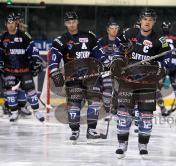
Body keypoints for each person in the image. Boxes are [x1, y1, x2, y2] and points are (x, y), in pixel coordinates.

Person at [111, 8, 170, 158]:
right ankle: (122, 144)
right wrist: (118, 58)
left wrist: (159, 67)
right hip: (127, 81)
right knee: (123, 113)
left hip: (147, 82)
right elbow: (116, 46)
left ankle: (143, 145)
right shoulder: (129, 33)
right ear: (140, 20)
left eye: (150, 20)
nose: (147, 22)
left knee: (146, 115)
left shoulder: (160, 40)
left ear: (154, 22)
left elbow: (168, 60)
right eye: (145, 19)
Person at [49, 11, 103, 142]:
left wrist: (107, 63)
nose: (71, 24)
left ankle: (91, 130)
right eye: (69, 22)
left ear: (77, 22)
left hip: (91, 76)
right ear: (65, 24)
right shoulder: (61, 41)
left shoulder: (90, 37)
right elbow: (54, 61)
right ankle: (74, 130)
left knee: (94, 103)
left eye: (73, 21)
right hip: (72, 78)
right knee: (74, 105)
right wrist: (55, 71)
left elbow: (100, 55)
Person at [0, 13, 44, 122]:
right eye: (9, 23)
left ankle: (36, 111)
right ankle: (14, 113)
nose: (10, 25)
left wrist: (35, 58)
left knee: (30, 90)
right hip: (9, 70)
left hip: (24, 69)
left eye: (13, 22)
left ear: (16, 23)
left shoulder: (24, 35)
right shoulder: (2, 37)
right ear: (6, 24)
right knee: (10, 91)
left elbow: (32, 48)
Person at [96, 18, 121, 113]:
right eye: (112, 28)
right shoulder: (101, 42)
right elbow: (97, 55)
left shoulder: (121, 41)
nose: (114, 30)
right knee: (108, 88)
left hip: (118, 70)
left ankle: (114, 106)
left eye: (116, 28)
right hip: (105, 70)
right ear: (108, 30)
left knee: (119, 89)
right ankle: (106, 107)